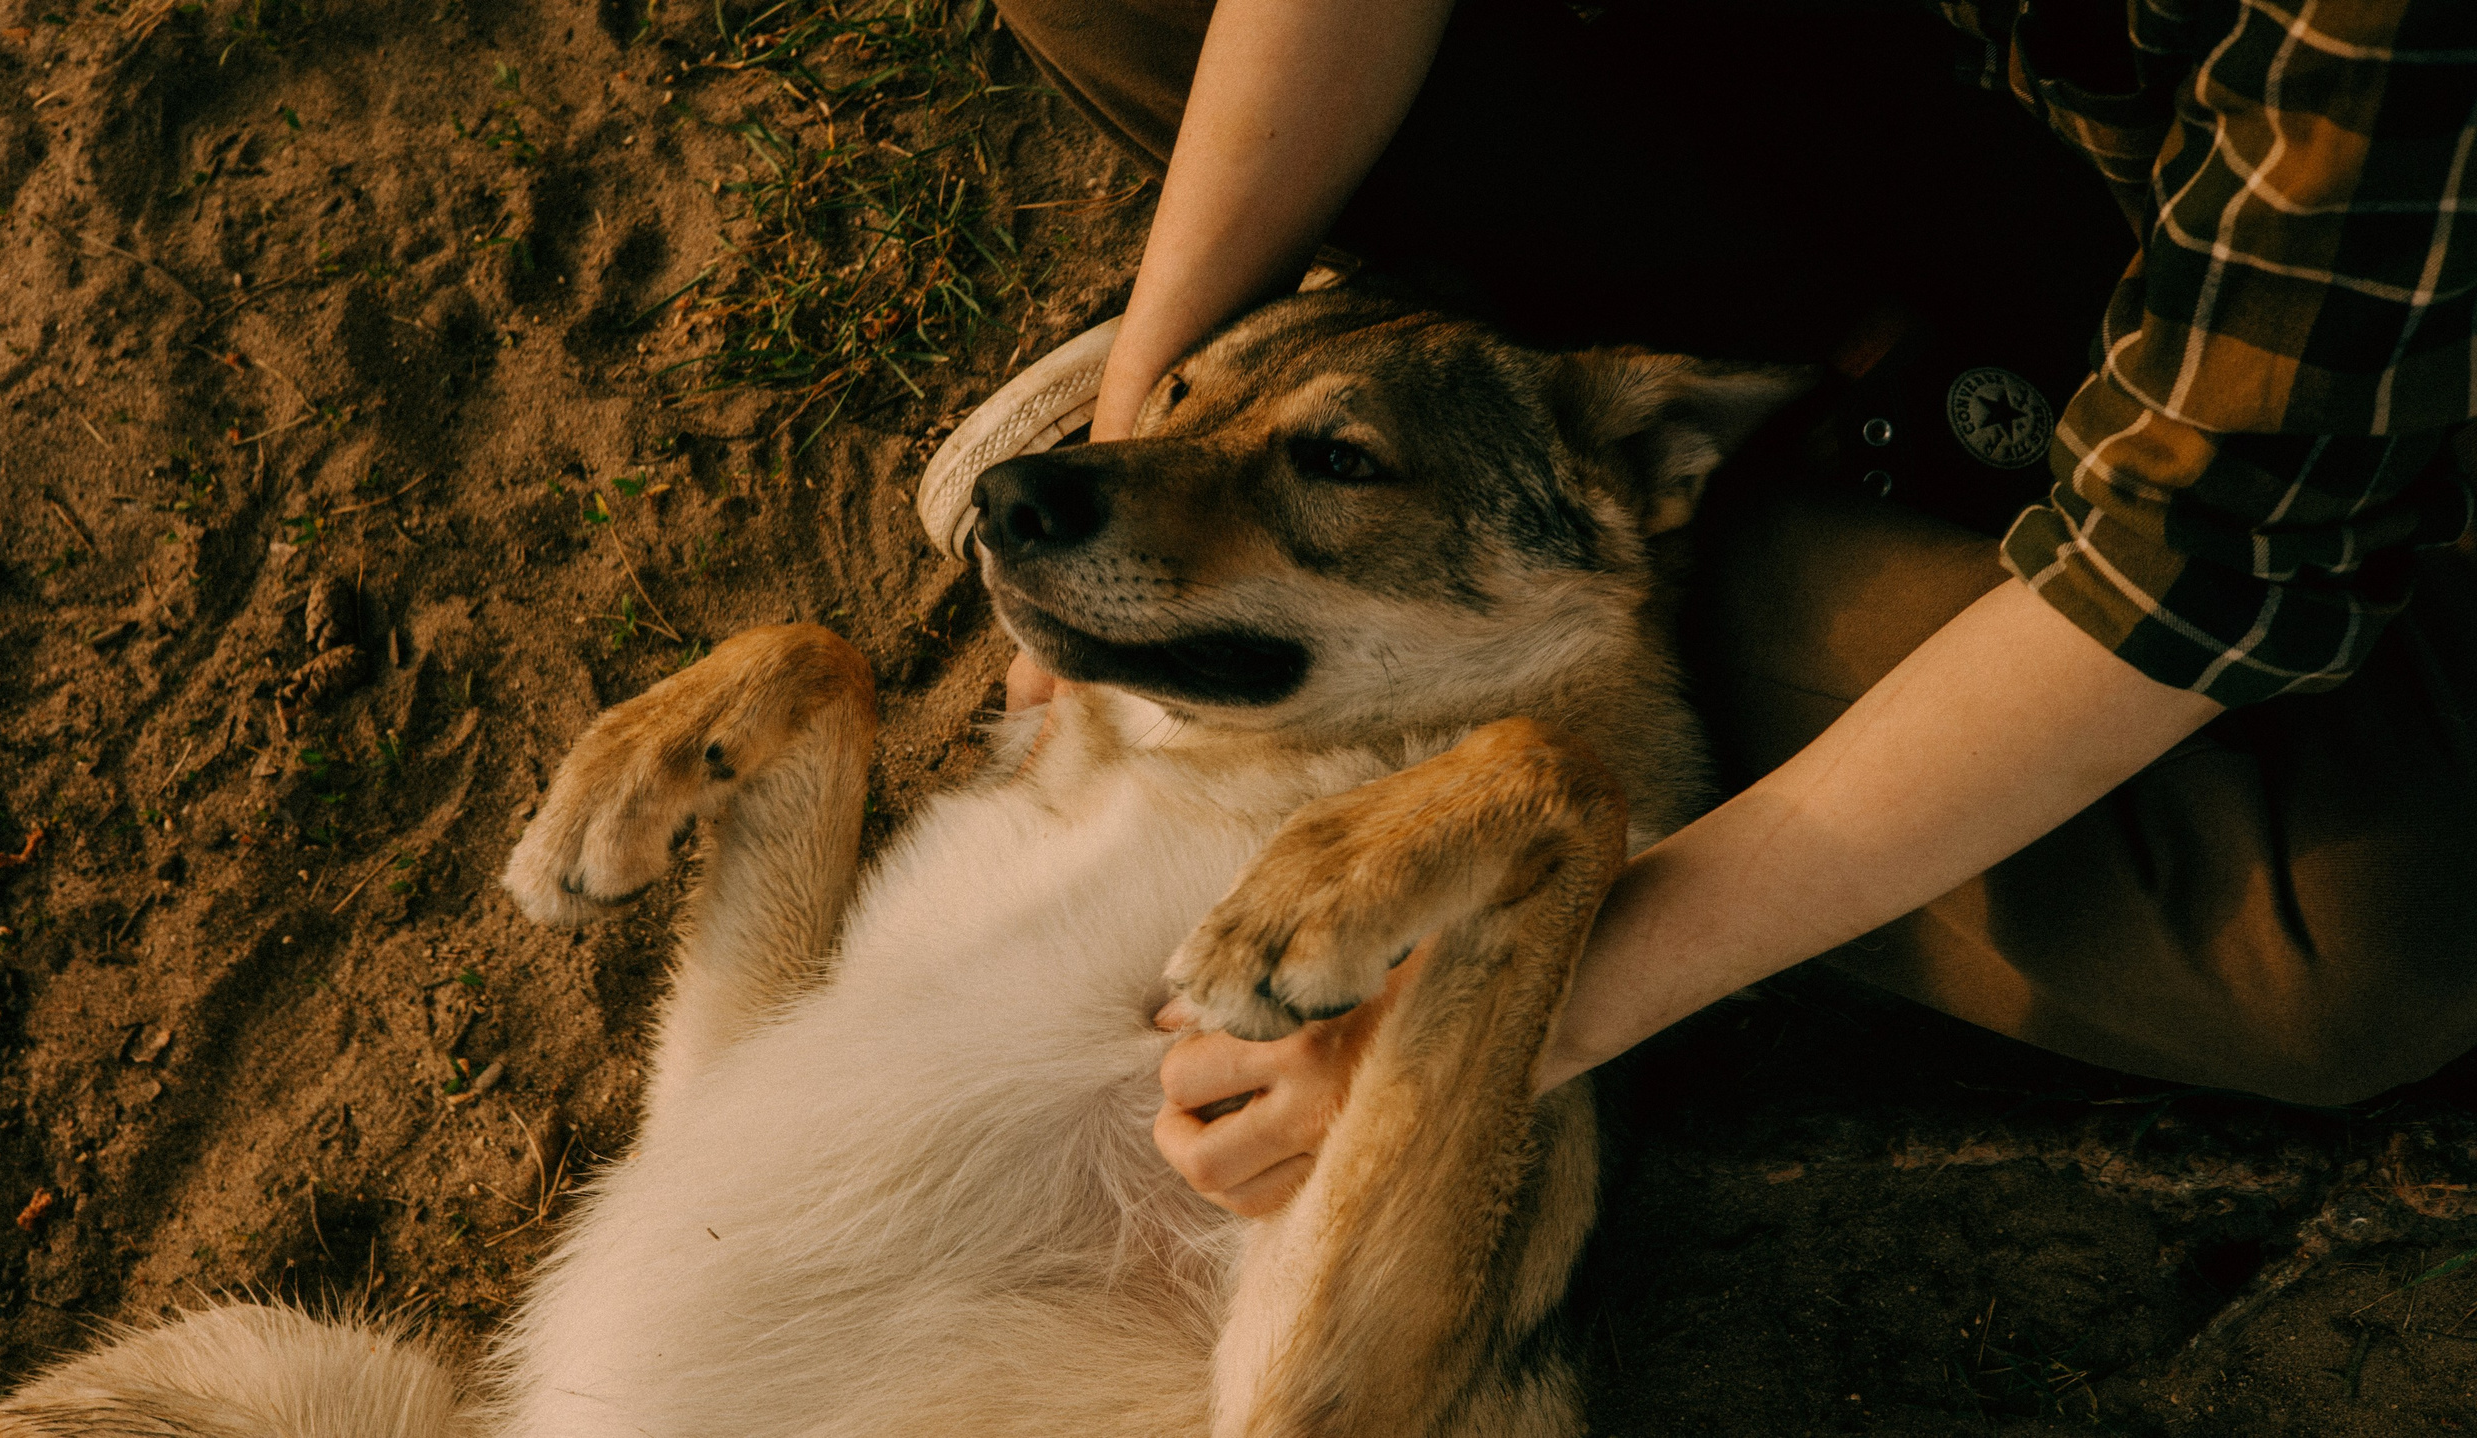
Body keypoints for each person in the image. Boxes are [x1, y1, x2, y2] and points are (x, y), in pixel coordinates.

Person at [981, 0, 2477, 1217]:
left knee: (2351, 946)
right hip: (1883, 108)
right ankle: (1365, 386)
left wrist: (1499, 1026)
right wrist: (1140, 426)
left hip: (2350, 382)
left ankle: (1551, 496)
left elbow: (2194, 568)